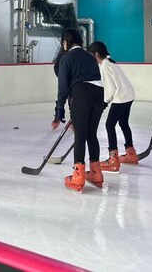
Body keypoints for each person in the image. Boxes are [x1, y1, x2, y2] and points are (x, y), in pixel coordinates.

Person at [55, 28, 104, 192]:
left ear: (65, 43)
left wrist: (59, 109)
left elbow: (62, 87)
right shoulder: (90, 57)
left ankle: (78, 176)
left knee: (80, 135)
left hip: (81, 94)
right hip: (98, 94)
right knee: (91, 134)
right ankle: (96, 173)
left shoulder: (66, 57)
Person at [87, 41, 137, 173]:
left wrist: (104, 103)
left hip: (121, 97)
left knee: (109, 125)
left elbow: (110, 88)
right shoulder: (110, 62)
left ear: (96, 54)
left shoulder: (105, 66)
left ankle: (113, 159)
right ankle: (131, 152)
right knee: (123, 123)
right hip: (128, 95)